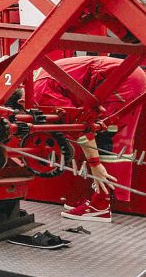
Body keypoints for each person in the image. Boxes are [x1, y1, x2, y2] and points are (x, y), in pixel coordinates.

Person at [21, 56, 146, 222]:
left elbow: (79, 124)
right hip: (126, 75)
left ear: (21, 101)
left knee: (103, 135)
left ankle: (99, 206)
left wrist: (95, 165)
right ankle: (98, 198)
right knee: (105, 134)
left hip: (122, 80)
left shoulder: (39, 90)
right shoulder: (39, 76)